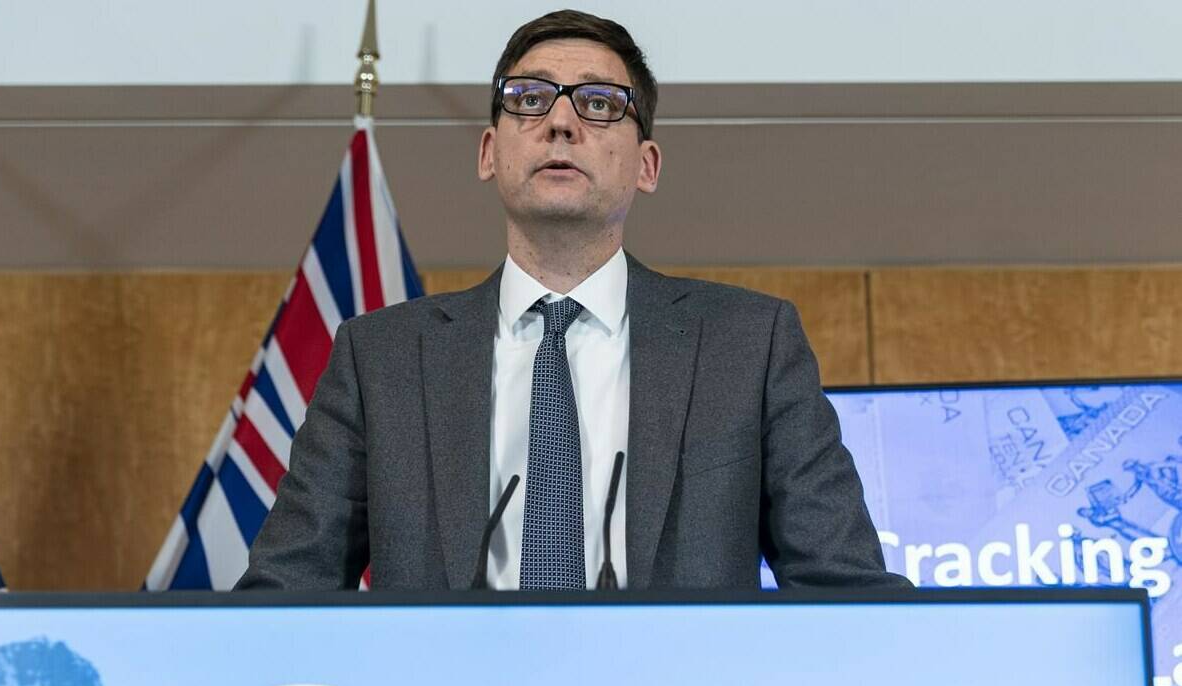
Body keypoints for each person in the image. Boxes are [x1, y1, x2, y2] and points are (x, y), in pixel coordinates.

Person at [236, 9, 908, 591]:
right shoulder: (380, 357)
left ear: (646, 165)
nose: (559, 121)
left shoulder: (748, 345)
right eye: (528, 99)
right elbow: (284, 592)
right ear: (488, 151)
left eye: (598, 103)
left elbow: (842, 586)